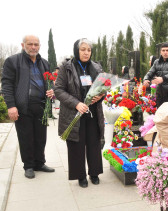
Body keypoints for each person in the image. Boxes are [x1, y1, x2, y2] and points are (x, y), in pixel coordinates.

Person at [1, 35, 55, 178]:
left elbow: (50, 82)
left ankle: (39, 163)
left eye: (36, 44)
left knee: (40, 137)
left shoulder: (44, 63)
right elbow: (6, 85)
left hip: (41, 106)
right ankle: (29, 166)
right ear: (23, 45)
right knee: (26, 137)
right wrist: (11, 106)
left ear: (39, 46)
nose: (33, 47)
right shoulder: (13, 61)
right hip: (22, 107)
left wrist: (51, 90)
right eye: (30, 44)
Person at [54, 38, 105, 188]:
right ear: (77, 50)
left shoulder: (96, 67)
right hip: (74, 113)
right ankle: (80, 175)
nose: (86, 52)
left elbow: (104, 87)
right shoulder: (67, 67)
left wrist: (101, 96)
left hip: (93, 112)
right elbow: (58, 90)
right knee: (76, 144)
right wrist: (76, 104)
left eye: (88, 50)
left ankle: (94, 173)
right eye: (83, 49)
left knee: (94, 142)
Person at [143, 43, 168, 108]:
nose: (165, 52)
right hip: (159, 94)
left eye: (167, 50)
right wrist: (146, 79)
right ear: (160, 52)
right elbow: (149, 73)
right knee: (160, 114)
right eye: (163, 50)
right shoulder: (156, 62)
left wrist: (163, 78)